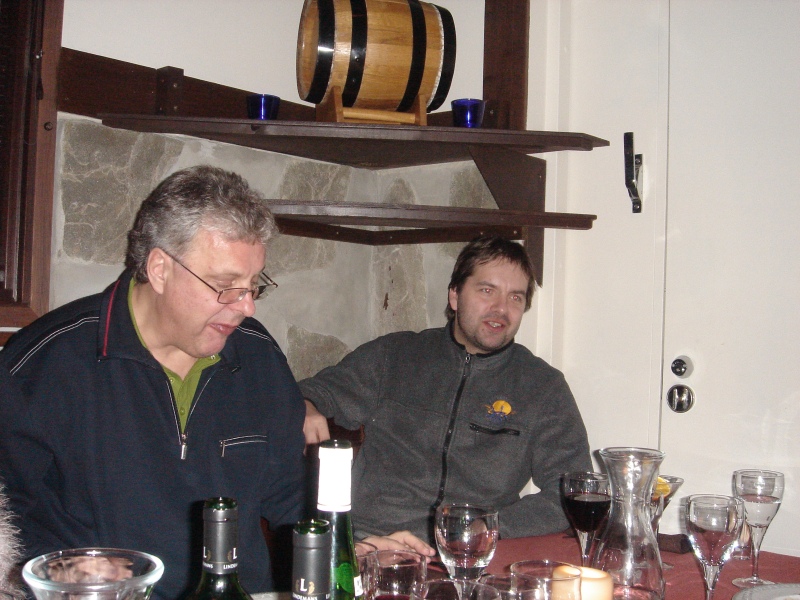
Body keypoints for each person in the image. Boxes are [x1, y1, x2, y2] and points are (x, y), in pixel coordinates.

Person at [0, 166, 307, 600]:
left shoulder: (259, 357)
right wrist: (61, 566)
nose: (247, 307)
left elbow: (291, 495)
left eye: (254, 285)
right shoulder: (45, 362)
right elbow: (12, 510)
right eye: (225, 286)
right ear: (160, 269)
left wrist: (351, 548)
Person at [302, 235, 592, 543]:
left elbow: (572, 492)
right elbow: (315, 392)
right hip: (370, 541)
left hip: (470, 549)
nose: (501, 309)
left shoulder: (542, 386)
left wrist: (486, 527)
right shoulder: (394, 356)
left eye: (515, 298)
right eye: (487, 290)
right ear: (455, 296)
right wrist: (304, 405)